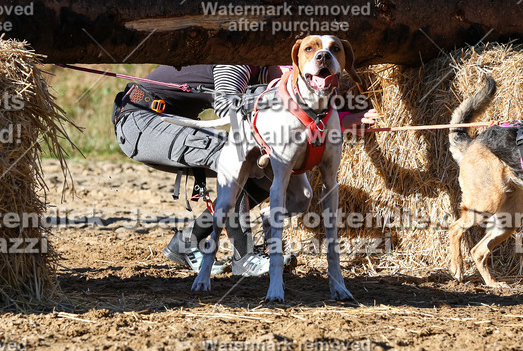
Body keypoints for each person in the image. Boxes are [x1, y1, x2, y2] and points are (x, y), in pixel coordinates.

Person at [112, 63, 377, 277]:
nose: (291, 81)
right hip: (140, 118)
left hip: (163, 119)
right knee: (232, 156)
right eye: (288, 74)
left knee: (262, 171)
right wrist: (275, 95)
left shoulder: (264, 76)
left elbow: (299, 113)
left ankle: (187, 242)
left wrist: (341, 120)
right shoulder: (236, 61)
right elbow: (229, 106)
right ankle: (244, 256)